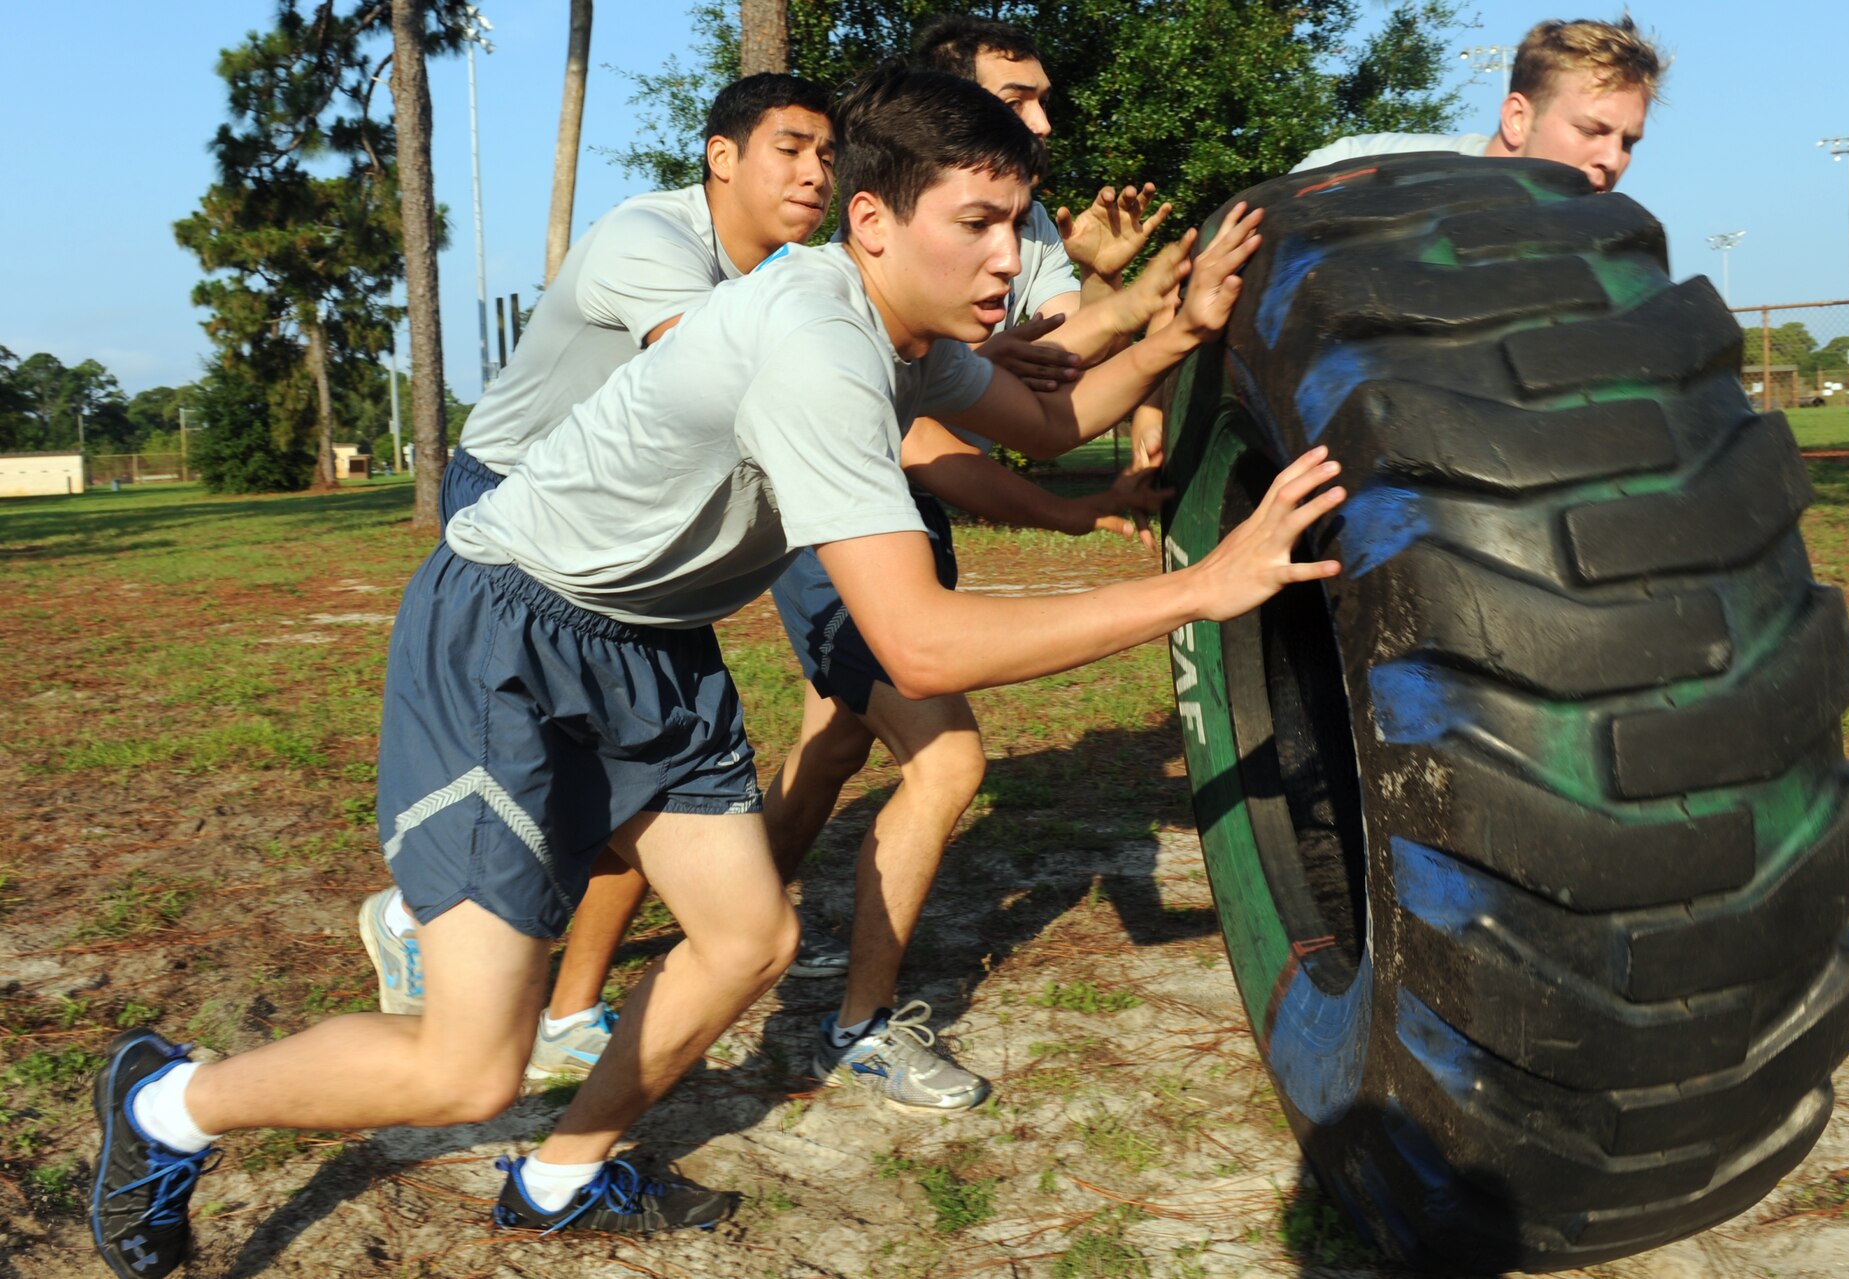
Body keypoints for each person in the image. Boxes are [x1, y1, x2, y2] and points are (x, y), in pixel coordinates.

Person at [89, 66, 1345, 1276]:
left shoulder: (896, 325)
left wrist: (1180, 325)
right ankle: (168, 1101)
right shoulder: (816, 342)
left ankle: (562, 1178)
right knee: (470, 1069)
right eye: (976, 223)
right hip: (508, 638)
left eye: (1015, 223)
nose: (1009, 261)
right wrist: (1199, 585)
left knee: (746, 938)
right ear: (873, 219)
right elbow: (916, 642)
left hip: (652, 646)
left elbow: (1048, 419)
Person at [355, 73, 838, 1085]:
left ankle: (545, 995)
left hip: (616, 522)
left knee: (623, 761)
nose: (814, 172)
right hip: (514, 492)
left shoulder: (784, 272)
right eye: (791, 147)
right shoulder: (648, 240)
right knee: (562, 751)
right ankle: (425, 916)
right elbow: (720, 374)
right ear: (721, 155)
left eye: (827, 155)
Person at [759, 13, 1173, 1113]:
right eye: (1014, 100)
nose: (1041, 124)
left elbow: (1040, 388)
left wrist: (1145, 318)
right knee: (943, 760)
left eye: (1038, 102)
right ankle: (847, 1022)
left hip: (869, 524)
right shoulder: (832, 329)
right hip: (629, 580)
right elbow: (952, 449)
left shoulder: (997, 239)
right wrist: (1190, 582)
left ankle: (742, 912)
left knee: (834, 739)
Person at [1291, 15, 1665, 193]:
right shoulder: (1356, 167)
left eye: (1628, 142)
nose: (1614, 160)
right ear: (1517, 118)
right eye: (1590, 130)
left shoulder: (1614, 268)